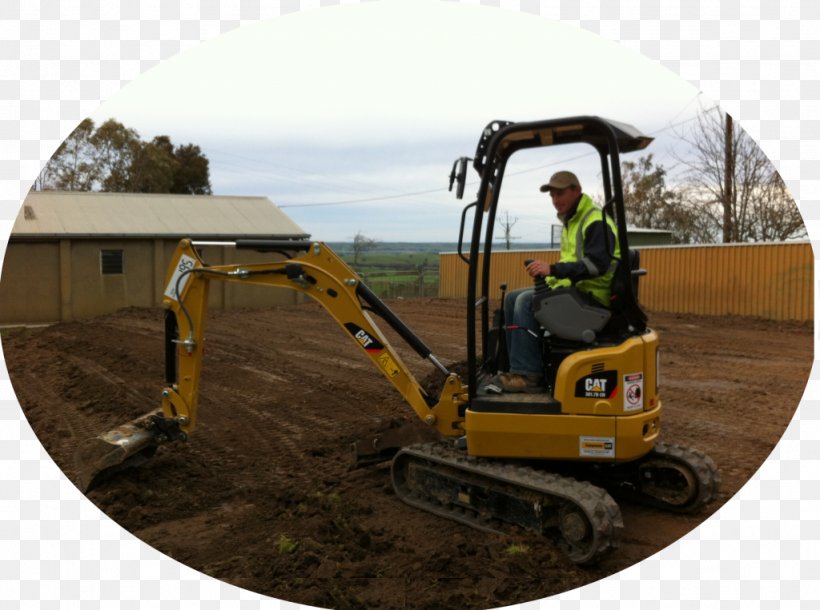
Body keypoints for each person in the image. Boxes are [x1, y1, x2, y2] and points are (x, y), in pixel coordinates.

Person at [497, 170, 620, 393]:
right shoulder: (573, 220)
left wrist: (552, 269)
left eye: (560, 193)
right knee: (512, 298)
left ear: (577, 191)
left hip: (593, 298)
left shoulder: (594, 221)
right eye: (552, 195)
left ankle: (528, 375)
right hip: (576, 290)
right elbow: (573, 263)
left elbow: (596, 265)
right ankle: (512, 368)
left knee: (526, 301)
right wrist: (548, 273)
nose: (555, 200)